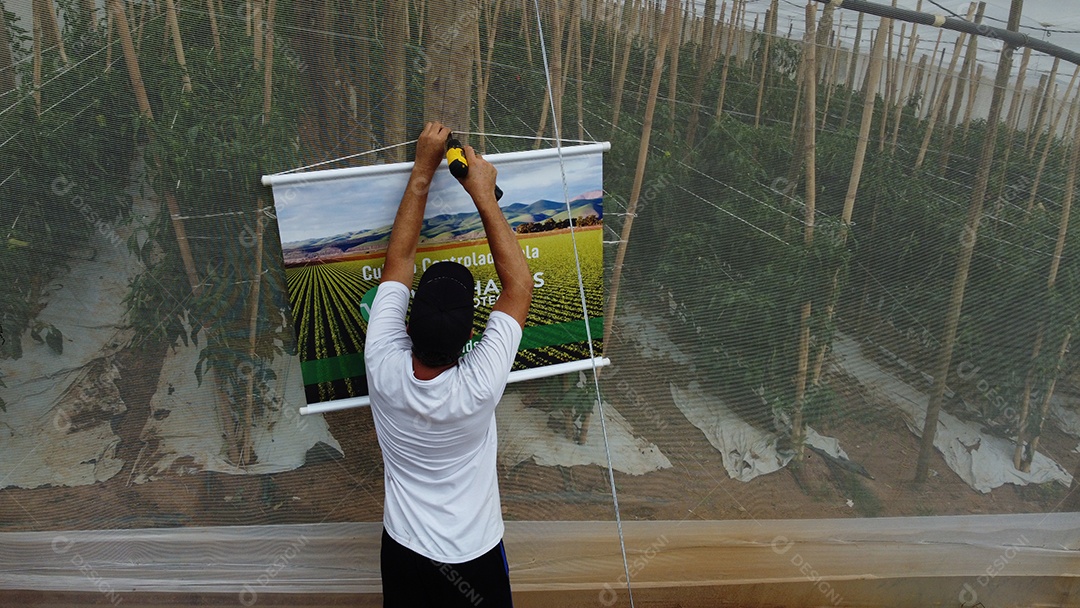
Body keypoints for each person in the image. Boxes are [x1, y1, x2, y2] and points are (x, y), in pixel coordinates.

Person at [364, 121, 533, 608]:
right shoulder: (478, 385)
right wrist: (483, 194)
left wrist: (423, 168)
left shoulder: (381, 360)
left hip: (404, 551)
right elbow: (518, 286)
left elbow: (397, 263)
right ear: (471, 340)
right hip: (474, 555)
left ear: (407, 323)